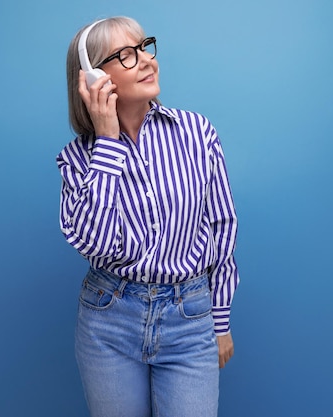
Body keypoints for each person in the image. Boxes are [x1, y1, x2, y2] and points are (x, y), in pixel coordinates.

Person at [56, 16, 240, 417]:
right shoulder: (76, 160)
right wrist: (106, 144)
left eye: (144, 47)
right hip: (109, 322)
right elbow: (99, 244)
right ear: (92, 80)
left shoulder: (197, 133)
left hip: (189, 319)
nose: (145, 61)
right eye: (125, 55)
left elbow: (222, 228)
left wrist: (220, 320)